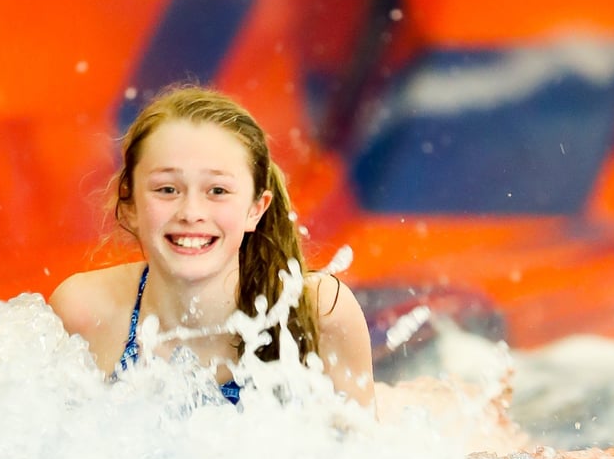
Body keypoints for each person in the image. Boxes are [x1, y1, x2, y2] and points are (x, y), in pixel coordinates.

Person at [50, 85, 376, 409]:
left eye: (218, 191)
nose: (191, 213)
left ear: (256, 209)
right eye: (167, 189)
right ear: (131, 205)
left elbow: (362, 439)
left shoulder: (320, 314)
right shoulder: (85, 315)